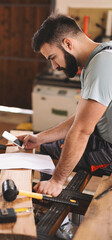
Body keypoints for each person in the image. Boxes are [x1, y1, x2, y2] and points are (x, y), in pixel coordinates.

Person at [18, 13, 112, 197]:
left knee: (52, 159)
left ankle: (55, 215)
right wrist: (40, 137)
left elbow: (82, 131)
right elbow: (81, 119)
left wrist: (57, 181)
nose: (54, 66)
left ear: (68, 44)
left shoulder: (102, 64)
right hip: (102, 139)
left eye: (53, 57)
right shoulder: (99, 58)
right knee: (45, 146)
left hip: (109, 151)